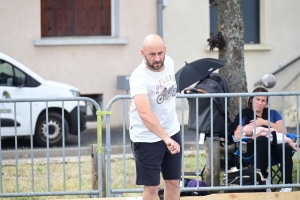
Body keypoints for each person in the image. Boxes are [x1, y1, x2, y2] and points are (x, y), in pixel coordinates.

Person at [129, 34, 181, 200]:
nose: (157, 59)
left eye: (160, 53)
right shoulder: (138, 77)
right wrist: (166, 139)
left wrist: (169, 136)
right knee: (152, 187)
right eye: (152, 54)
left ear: (165, 50)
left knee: (173, 182)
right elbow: (144, 113)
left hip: (172, 129)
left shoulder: (170, 62)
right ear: (143, 53)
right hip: (146, 137)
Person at [234, 87, 293, 192]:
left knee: (286, 148)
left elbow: (283, 131)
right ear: (251, 99)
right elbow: (237, 135)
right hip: (253, 148)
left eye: (263, 100)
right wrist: (252, 137)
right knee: (261, 139)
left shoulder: (273, 113)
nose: (260, 103)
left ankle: (287, 184)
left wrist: (264, 122)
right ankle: (264, 180)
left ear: (266, 102)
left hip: (273, 147)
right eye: (257, 99)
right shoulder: (243, 114)